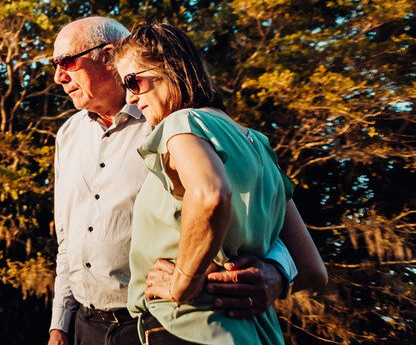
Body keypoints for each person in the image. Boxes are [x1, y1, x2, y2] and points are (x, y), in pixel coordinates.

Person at [48, 18, 299, 345]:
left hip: (165, 322)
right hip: (87, 325)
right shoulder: (68, 135)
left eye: (67, 62)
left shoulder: (175, 120)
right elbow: (67, 241)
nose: (58, 76)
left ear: (108, 56)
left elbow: (241, 207)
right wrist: (60, 324)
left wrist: (278, 271)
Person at [113, 22, 326, 344]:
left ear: (170, 68)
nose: (130, 97)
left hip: (191, 329)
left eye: (134, 81)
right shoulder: (259, 145)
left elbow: (210, 194)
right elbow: (312, 269)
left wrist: (182, 282)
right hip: (258, 332)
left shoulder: (181, 123)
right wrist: (276, 275)